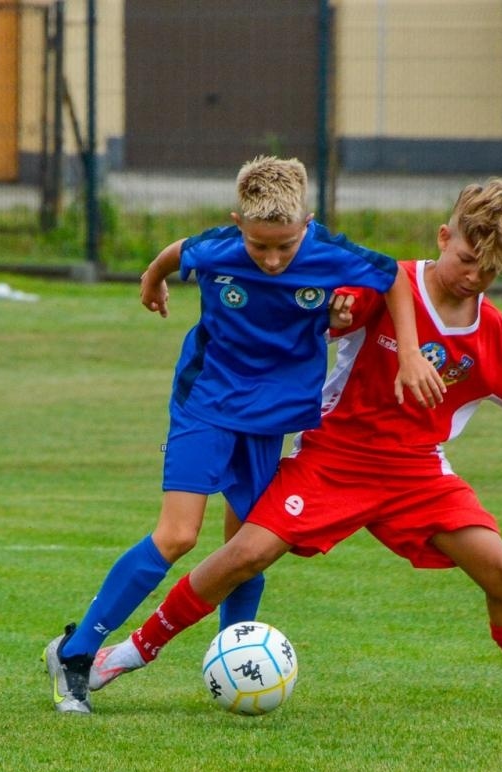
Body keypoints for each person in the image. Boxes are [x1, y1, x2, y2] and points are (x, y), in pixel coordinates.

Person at [86, 176, 502, 717]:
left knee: (501, 568)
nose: (474, 276)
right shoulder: (389, 283)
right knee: (244, 553)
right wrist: (339, 309)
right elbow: (327, 306)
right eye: (467, 259)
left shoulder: (489, 331)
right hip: (333, 460)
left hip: (418, 475)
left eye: (490, 270)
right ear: (445, 238)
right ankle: (128, 654)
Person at [45, 156, 438, 714]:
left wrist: (411, 353)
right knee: (178, 535)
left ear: (308, 222)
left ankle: (231, 658)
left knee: (248, 548)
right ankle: (77, 653)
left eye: (286, 245)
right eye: (260, 246)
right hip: (205, 402)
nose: (274, 260)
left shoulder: (331, 254)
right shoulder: (219, 248)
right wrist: (153, 280)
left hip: (272, 418)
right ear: (238, 224)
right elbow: (178, 250)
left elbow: (394, 277)